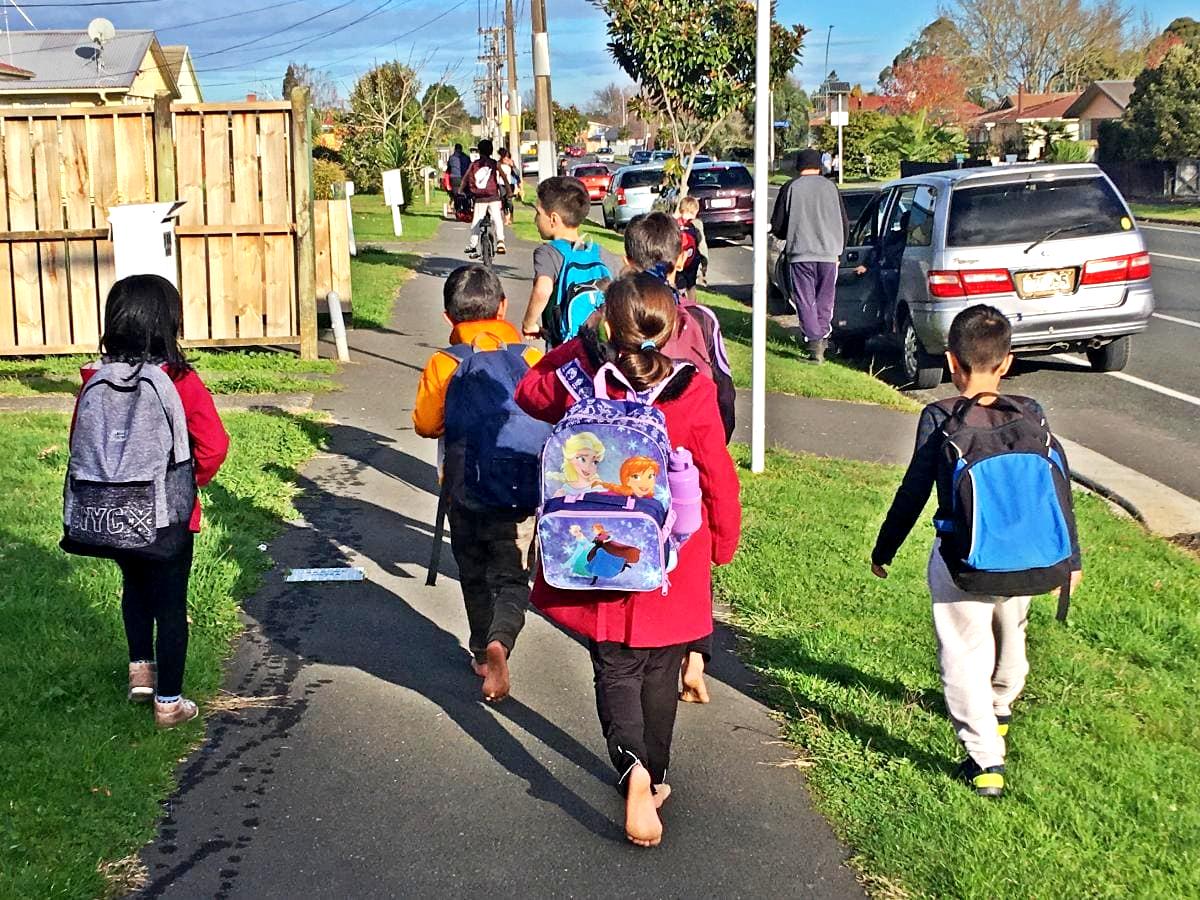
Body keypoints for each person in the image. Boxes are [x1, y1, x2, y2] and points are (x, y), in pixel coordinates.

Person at [515, 273, 741, 847]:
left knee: (613, 667)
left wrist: (581, 341)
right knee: (660, 672)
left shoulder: (580, 380)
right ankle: (656, 773)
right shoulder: (691, 390)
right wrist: (724, 540)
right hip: (670, 559)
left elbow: (529, 393)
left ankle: (632, 769)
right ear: (671, 330)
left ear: (608, 325)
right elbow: (716, 473)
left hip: (598, 555)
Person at [870, 305, 1083, 799]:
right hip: (1030, 556)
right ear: (1007, 362)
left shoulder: (940, 416)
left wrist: (886, 548)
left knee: (964, 652)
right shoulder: (1032, 412)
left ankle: (985, 761)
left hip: (964, 563)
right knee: (1012, 628)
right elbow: (1059, 488)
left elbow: (913, 490)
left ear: (951, 361)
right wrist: (1071, 557)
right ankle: (1002, 703)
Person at [67, 275, 229, 729]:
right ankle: (170, 704)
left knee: (134, 588)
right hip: (168, 516)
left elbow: (79, 443)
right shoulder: (180, 381)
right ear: (169, 323)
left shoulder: (94, 380)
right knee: (171, 604)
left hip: (111, 511)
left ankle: (141, 672)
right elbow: (213, 444)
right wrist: (191, 480)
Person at [413, 265, 544, 701]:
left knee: (472, 570)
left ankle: (479, 651)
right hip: (521, 490)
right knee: (511, 577)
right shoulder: (531, 358)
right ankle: (500, 641)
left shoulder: (444, 362)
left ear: (448, 316)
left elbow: (426, 424)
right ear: (503, 306)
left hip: (463, 489)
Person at [770, 147, 850, 364]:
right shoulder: (831, 188)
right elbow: (844, 222)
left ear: (798, 166)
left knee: (805, 298)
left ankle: (814, 342)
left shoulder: (790, 187)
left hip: (801, 252)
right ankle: (823, 336)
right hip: (829, 252)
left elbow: (778, 225)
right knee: (825, 297)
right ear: (820, 166)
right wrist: (840, 248)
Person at [519, 176, 621, 346]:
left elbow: (543, 290)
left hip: (565, 345)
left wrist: (529, 323)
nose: (535, 220)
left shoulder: (548, 252)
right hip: (601, 343)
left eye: (538, 213)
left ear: (553, 219)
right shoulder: (600, 252)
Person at [458, 138, 507, 257]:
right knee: (497, 219)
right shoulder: (495, 163)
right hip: (493, 197)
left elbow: (465, 178)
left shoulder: (474, 164)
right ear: (491, 151)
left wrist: (460, 190)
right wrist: (509, 191)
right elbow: (504, 177)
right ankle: (500, 241)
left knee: (476, 222)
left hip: (480, 198)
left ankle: (473, 245)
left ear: (479, 151)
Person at [674, 195, 708, 300]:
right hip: (693, 260)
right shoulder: (696, 224)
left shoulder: (674, 223)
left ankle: (679, 303)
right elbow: (702, 245)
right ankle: (692, 307)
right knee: (691, 286)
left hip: (677, 260)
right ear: (695, 211)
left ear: (681, 209)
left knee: (677, 284)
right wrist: (704, 263)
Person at [445, 143, 472, 217]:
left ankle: (458, 210)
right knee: (465, 194)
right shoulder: (466, 157)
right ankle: (466, 209)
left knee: (456, 195)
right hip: (464, 178)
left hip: (454, 178)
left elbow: (449, 168)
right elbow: (470, 167)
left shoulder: (451, 158)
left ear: (455, 149)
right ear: (461, 149)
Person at [498, 147, 519, 225]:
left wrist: (512, 166)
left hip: (510, 184)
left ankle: (511, 216)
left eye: (507, 157)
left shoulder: (511, 162)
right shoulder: (499, 163)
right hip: (501, 184)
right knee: (503, 201)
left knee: (509, 201)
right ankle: (506, 218)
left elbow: (517, 173)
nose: (506, 158)